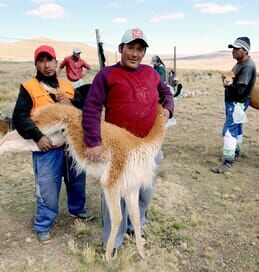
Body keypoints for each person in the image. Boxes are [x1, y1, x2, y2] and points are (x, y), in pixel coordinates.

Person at [82, 27, 174, 254]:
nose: (135, 53)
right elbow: (91, 108)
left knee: (145, 191)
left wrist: (168, 109)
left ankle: (137, 226)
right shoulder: (107, 75)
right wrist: (93, 141)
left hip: (147, 146)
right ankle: (114, 240)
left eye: (140, 49)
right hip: (118, 149)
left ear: (144, 53)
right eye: (130, 48)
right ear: (121, 49)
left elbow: (167, 94)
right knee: (116, 195)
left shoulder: (152, 74)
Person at [12, 45, 94, 244]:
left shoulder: (67, 86)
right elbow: (19, 117)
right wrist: (38, 137)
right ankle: (43, 224)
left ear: (57, 63)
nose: (46, 65)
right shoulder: (29, 87)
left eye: (50, 60)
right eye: (41, 60)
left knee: (77, 180)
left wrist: (71, 104)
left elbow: (83, 109)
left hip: (71, 145)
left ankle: (77, 209)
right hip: (46, 148)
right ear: (36, 64)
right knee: (47, 188)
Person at [211, 37, 256, 174]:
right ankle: (235, 152)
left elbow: (240, 90)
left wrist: (227, 82)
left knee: (229, 130)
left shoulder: (247, 66)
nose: (233, 51)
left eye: (237, 49)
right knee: (237, 126)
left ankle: (227, 163)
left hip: (237, 103)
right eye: (233, 48)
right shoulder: (240, 63)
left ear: (245, 50)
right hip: (236, 103)